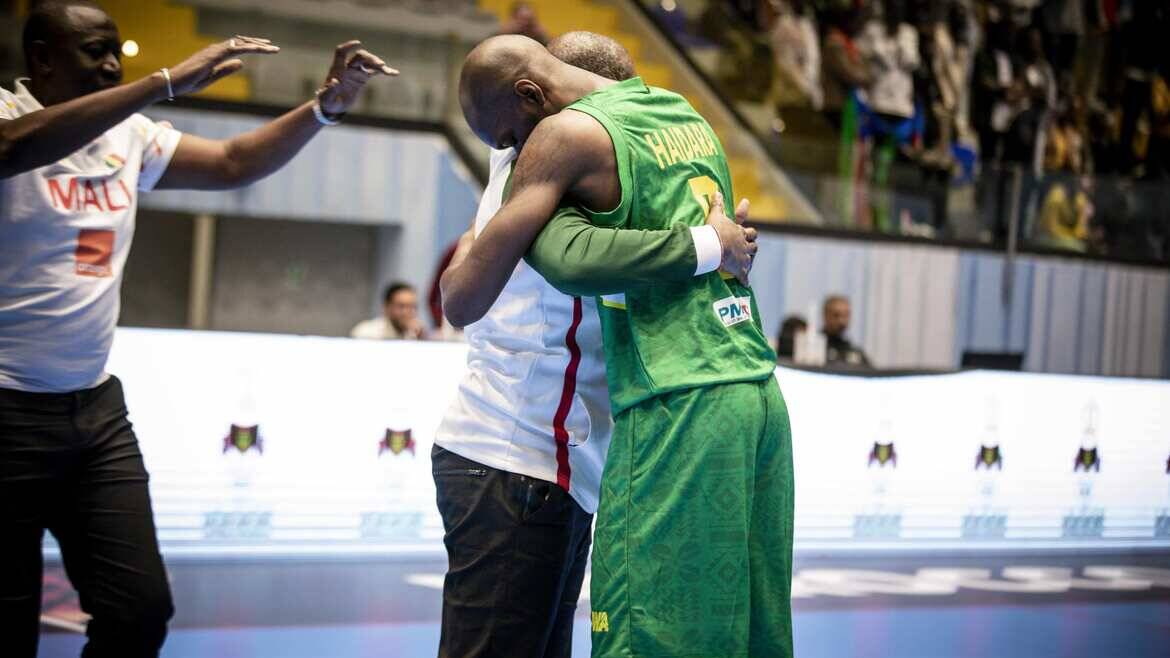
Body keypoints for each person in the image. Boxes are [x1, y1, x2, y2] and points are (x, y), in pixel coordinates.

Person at [0, 2, 394, 656]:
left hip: (93, 413)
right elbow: (12, 150)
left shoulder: (127, 135)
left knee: (140, 612)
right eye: (92, 52)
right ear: (40, 58)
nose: (108, 64)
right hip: (8, 408)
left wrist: (325, 106)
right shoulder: (10, 119)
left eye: (115, 51)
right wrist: (161, 83)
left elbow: (235, 161)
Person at [442, 35, 792, 658]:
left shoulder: (574, 139)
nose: (504, 149)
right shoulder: (555, 149)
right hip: (512, 451)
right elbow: (474, 292)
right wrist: (710, 246)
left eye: (502, 134)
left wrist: (719, 248)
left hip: (579, 457)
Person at [351, 282, 424, 340]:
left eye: (413, 307)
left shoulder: (414, 335)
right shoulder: (366, 332)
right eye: (402, 306)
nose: (408, 312)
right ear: (386, 307)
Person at [822, 294, 872, 366]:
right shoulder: (815, 348)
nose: (841, 321)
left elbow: (872, 374)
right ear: (825, 315)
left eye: (845, 315)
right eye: (836, 315)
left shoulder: (855, 352)